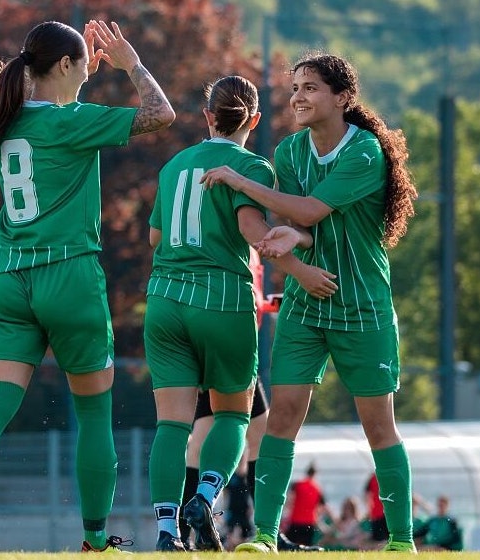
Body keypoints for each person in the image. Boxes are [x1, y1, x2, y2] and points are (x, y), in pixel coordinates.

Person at [0, 18, 174, 554]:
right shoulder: (70, 122)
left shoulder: (5, 129)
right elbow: (162, 115)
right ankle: (92, 540)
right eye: (83, 67)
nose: (89, 76)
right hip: (69, 276)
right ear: (63, 66)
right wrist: (129, 62)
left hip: (10, 279)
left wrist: (72, 66)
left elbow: (41, 94)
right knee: (92, 414)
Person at [200, 51, 419, 554]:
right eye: (295, 87)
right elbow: (303, 225)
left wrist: (238, 179)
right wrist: (292, 247)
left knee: (378, 423)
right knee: (282, 419)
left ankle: (403, 541)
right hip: (304, 304)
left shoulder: (364, 152)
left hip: (362, 305)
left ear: (343, 98)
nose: (298, 96)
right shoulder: (291, 152)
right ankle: (261, 537)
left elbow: (310, 208)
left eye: (311, 87)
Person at [144, 75, 326, 553]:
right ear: (254, 119)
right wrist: (296, 261)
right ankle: (204, 499)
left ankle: (165, 533)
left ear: (207, 117)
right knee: (234, 415)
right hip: (222, 300)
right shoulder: (251, 167)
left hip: (163, 300)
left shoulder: (173, 166)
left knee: (172, 425)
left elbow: (156, 241)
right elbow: (251, 227)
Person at [285, 462, 330, 547]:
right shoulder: (317, 488)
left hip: (295, 520)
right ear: (315, 474)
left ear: (306, 472)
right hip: (309, 521)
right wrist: (317, 514)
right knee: (307, 548)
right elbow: (324, 506)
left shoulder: (297, 484)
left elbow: (290, 500)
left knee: (289, 546)